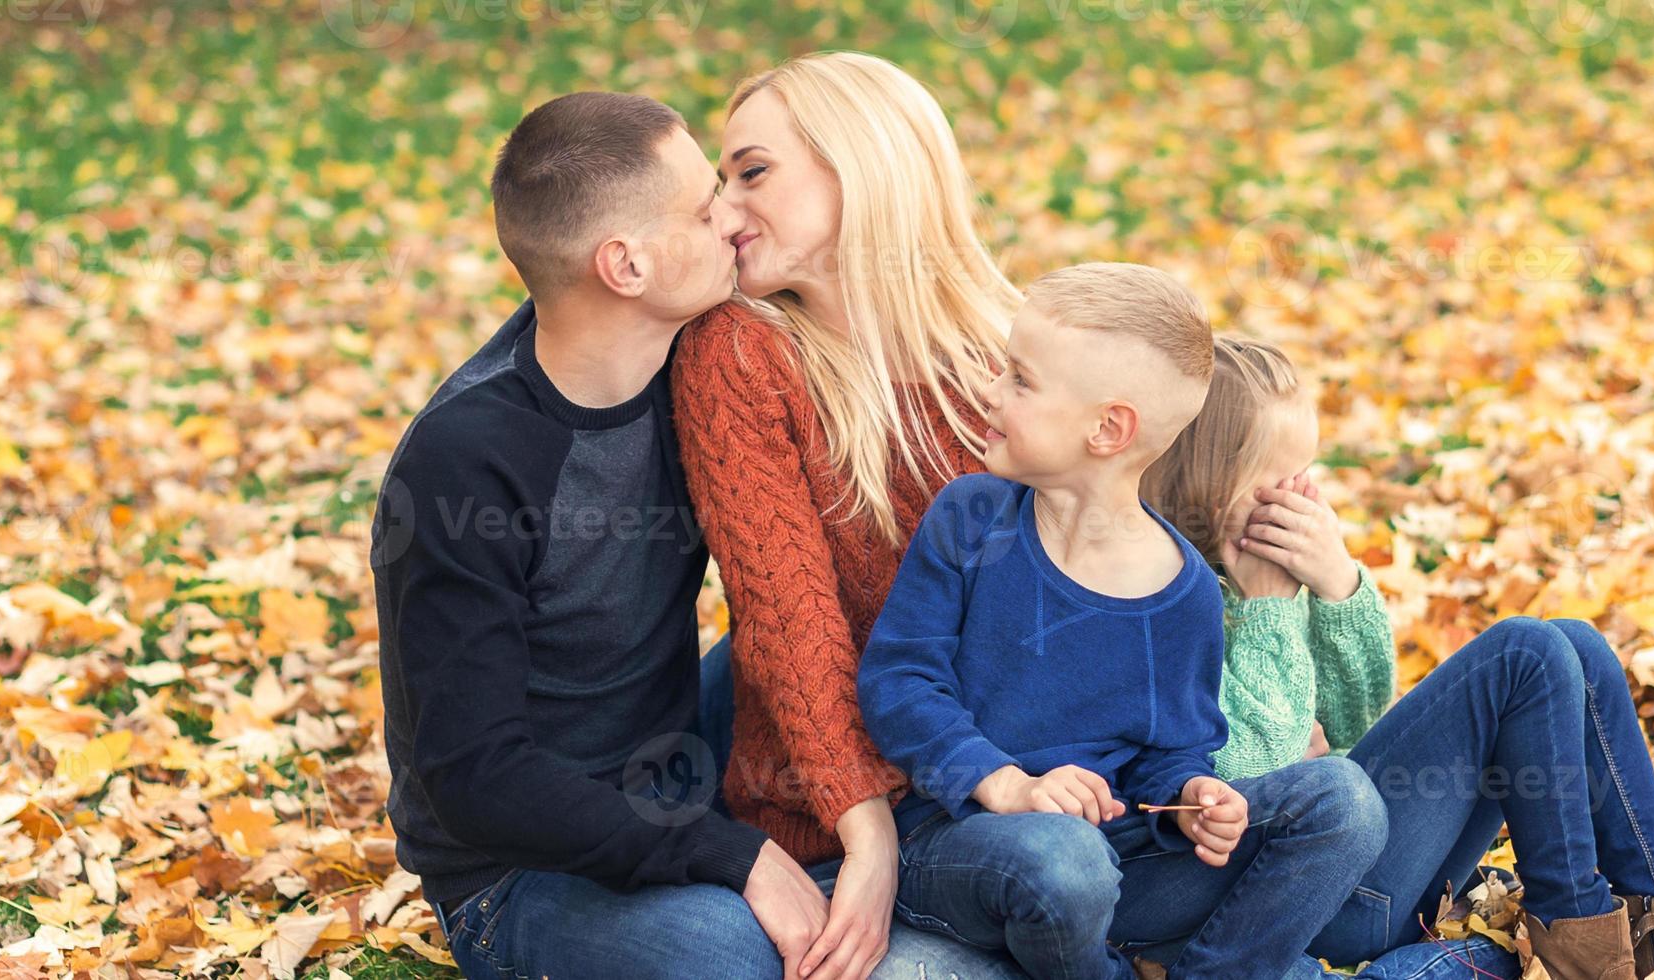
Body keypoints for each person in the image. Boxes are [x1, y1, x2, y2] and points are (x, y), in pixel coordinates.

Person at [371, 92, 830, 979]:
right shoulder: (468, 461)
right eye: (704, 208)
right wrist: (733, 856)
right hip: (516, 868)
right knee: (730, 957)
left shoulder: (699, 368)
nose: (734, 218)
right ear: (625, 265)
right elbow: (476, 778)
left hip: (668, 758)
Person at [857, 263, 1392, 980]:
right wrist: (1008, 784)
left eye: (1020, 380)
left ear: (1108, 428)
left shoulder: (1187, 594)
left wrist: (1190, 801)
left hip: (1122, 858)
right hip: (962, 840)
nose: (990, 392)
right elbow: (899, 679)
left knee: (1345, 801)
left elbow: (1169, 755)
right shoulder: (972, 517)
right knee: (1063, 859)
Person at [1142, 336, 1654, 980]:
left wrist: (1338, 587)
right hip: (1302, 896)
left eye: (1308, 475)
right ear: (1205, 487)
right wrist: (1269, 615)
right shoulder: (1172, 601)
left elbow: (1356, 723)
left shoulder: (1257, 570)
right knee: (1525, 654)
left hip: (1373, 858)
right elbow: (1256, 785)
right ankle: (1577, 947)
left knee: (1575, 646)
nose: (1304, 498)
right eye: (1279, 484)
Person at [672, 51, 1026, 980]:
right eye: (720, 182)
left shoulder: (1011, 347)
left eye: (752, 171)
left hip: (1041, 785)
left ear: (861, 162)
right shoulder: (741, 352)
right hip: (853, 815)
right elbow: (790, 618)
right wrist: (865, 837)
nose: (723, 209)